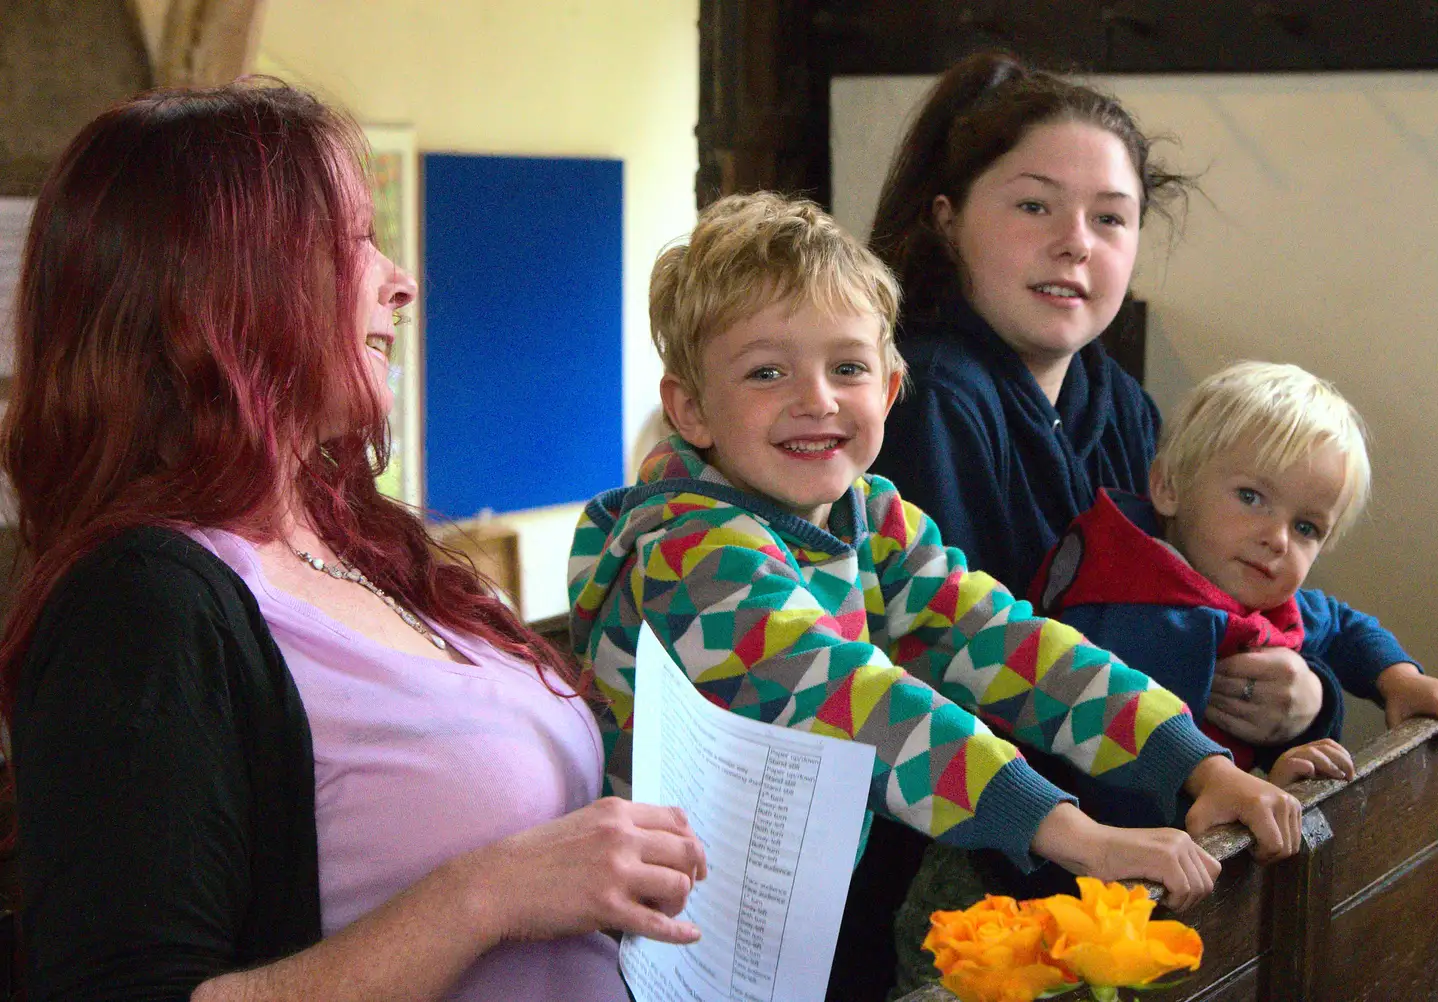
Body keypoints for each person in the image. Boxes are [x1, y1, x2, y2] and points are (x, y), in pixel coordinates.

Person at [1, 82, 706, 1001]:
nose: (401, 281)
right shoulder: (142, 603)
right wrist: (482, 895)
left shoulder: (362, 544)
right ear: (223, 289)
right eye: (351, 243)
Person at [566, 192, 1307, 995]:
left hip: (789, 906)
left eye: (846, 367)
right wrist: (1075, 835)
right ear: (691, 410)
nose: (816, 398)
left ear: (886, 392)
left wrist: (1194, 762)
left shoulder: (871, 514)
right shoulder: (688, 551)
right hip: (657, 944)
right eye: (766, 371)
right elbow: (850, 701)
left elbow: (1004, 642)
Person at [868, 52, 1333, 754]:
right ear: (947, 219)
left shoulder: (1118, 401)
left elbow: (1211, 588)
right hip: (984, 814)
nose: (1075, 244)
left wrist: (1307, 694)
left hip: (1136, 778)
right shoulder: (930, 394)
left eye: (1110, 219)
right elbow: (969, 673)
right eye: (1034, 206)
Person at [1032, 361, 1438, 800]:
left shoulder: (1244, 584)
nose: (1278, 539)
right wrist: (1255, 788)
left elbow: (1343, 626)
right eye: (1252, 497)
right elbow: (1117, 773)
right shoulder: (1115, 608)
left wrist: (1401, 681)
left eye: (1306, 528)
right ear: (1169, 487)